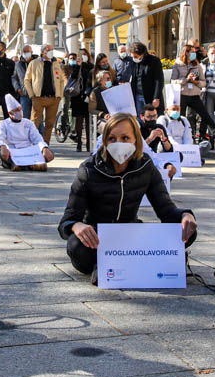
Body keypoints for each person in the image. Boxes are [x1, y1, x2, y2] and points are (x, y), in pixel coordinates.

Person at [58, 113, 197, 283]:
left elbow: (166, 209)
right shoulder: (88, 170)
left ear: (136, 140)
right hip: (97, 239)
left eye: (125, 138)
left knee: (186, 231)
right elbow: (66, 221)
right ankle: (127, 264)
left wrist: (184, 215)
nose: (119, 144)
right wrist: (77, 226)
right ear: (104, 142)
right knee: (76, 246)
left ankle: (121, 264)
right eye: (112, 138)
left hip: (131, 234)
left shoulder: (146, 166)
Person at [171, 44, 215, 146]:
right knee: (181, 117)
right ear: (186, 52)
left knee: (205, 115)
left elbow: (203, 82)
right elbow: (173, 81)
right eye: (191, 52)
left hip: (194, 94)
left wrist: (196, 82)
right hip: (183, 94)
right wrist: (186, 80)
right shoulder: (178, 65)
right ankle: (181, 138)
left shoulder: (197, 65)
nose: (193, 54)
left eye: (194, 52)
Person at [0, 94, 53, 171]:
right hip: (13, 152)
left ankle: (24, 165)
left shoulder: (28, 123)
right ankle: (29, 164)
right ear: (10, 113)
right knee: (3, 157)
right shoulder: (4, 124)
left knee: (49, 154)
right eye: (16, 110)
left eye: (20, 109)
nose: (20, 112)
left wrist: (44, 148)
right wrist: (2, 147)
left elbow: (37, 139)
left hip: (28, 152)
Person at [25, 43, 66, 144]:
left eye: (52, 49)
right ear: (43, 51)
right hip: (38, 98)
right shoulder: (34, 63)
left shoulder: (55, 63)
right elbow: (27, 80)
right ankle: (31, 144)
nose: (51, 52)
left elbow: (61, 80)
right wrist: (32, 95)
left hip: (53, 99)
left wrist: (59, 95)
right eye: (49, 50)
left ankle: (45, 144)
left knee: (50, 124)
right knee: (34, 123)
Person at [125, 42, 164, 117]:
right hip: (137, 95)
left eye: (136, 56)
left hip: (150, 96)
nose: (134, 58)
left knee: (151, 117)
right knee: (140, 118)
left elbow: (159, 80)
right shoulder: (134, 62)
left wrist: (156, 97)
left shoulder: (154, 61)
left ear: (142, 53)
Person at [63, 53, 90, 151]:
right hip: (77, 96)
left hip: (87, 96)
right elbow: (73, 77)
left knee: (87, 120)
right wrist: (78, 66)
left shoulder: (90, 67)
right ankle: (79, 142)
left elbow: (92, 80)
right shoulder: (75, 67)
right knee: (78, 119)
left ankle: (88, 143)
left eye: (84, 56)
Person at [11, 44, 36, 119]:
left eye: (28, 51)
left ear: (31, 52)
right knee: (25, 117)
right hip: (24, 94)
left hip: (36, 95)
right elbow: (14, 78)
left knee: (37, 117)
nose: (26, 53)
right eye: (24, 52)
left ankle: (38, 131)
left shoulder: (37, 63)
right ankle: (25, 131)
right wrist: (18, 88)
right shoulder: (18, 64)